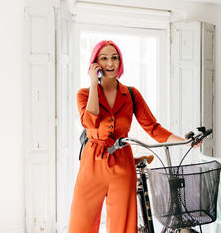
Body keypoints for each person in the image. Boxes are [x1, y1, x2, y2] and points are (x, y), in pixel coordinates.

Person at [68, 40, 197, 233]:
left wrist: (186, 142)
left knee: (124, 226)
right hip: (92, 164)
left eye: (115, 58)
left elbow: (153, 127)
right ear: (96, 63)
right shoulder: (84, 94)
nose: (110, 63)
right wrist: (94, 84)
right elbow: (90, 122)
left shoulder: (131, 94)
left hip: (122, 163)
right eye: (104, 58)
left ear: (120, 62)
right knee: (81, 225)